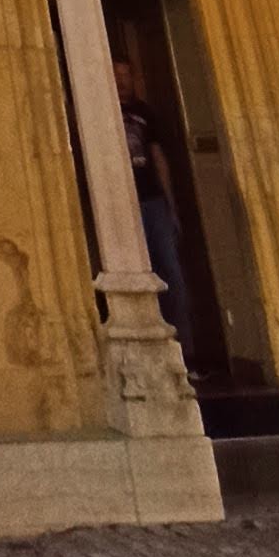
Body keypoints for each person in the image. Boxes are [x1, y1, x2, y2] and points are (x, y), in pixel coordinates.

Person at [115, 58, 196, 371]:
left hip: (152, 200)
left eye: (126, 75)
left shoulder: (145, 114)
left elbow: (158, 157)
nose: (122, 81)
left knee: (169, 270)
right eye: (115, 75)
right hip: (121, 204)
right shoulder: (103, 114)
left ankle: (183, 350)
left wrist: (169, 202)